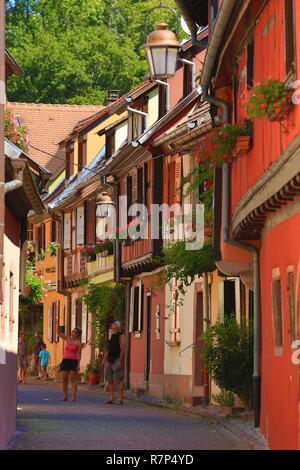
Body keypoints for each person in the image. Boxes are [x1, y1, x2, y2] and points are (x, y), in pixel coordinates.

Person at [101, 320, 125, 405]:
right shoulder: (112, 336)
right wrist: (104, 360)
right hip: (109, 360)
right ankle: (111, 398)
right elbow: (108, 349)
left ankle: (120, 398)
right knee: (109, 379)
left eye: (114, 324)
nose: (112, 325)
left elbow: (123, 349)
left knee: (118, 380)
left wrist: (119, 360)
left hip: (116, 360)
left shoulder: (121, 336)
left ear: (118, 327)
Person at [58, 327, 82, 402]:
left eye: (74, 331)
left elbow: (79, 354)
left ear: (77, 334)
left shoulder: (78, 343)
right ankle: (65, 396)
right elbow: (59, 334)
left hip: (73, 361)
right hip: (65, 360)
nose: (72, 332)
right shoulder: (67, 338)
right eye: (72, 331)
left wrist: (78, 364)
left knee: (73, 379)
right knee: (64, 379)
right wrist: (56, 325)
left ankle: (74, 397)